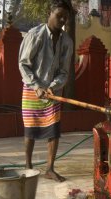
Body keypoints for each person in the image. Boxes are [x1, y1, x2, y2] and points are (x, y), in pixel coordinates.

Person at [18, 0, 73, 182]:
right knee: (30, 129)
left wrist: (52, 87)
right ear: (50, 13)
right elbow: (24, 65)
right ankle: (28, 166)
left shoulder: (67, 41)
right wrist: (37, 86)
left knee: (54, 130)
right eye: (59, 16)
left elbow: (64, 71)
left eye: (65, 17)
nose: (62, 20)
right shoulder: (34, 35)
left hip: (53, 90)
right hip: (32, 88)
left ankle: (50, 168)